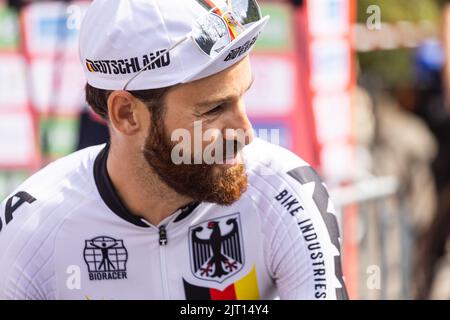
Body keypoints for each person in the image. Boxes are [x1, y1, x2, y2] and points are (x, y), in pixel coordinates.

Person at [0, 0, 347, 300]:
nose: (246, 133)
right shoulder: (32, 228)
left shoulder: (285, 195)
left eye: (242, 97)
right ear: (126, 114)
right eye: (213, 109)